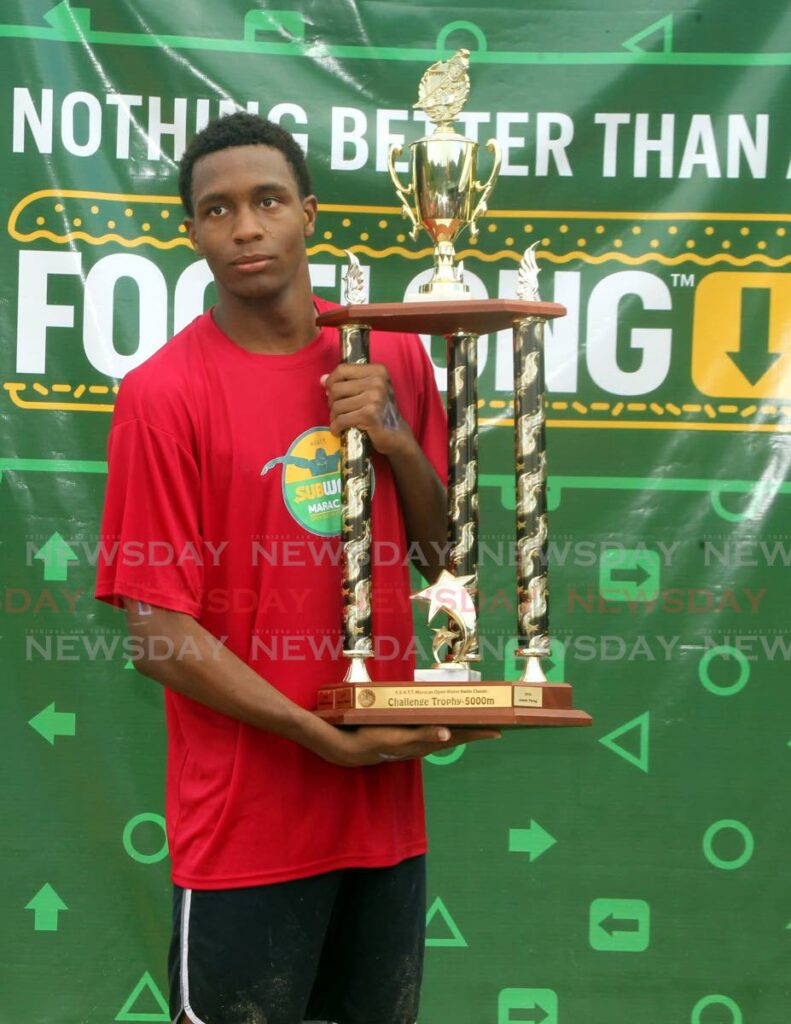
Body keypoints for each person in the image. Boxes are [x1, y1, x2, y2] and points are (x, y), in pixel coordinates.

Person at [94, 111, 499, 1024]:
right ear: (192, 232)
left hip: (381, 825)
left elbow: (447, 560)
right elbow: (158, 636)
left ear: (308, 214)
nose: (244, 227)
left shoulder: (389, 352)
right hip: (244, 829)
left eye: (266, 201)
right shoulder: (162, 395)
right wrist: (316, 733)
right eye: (217, 210)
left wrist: (396, 443)